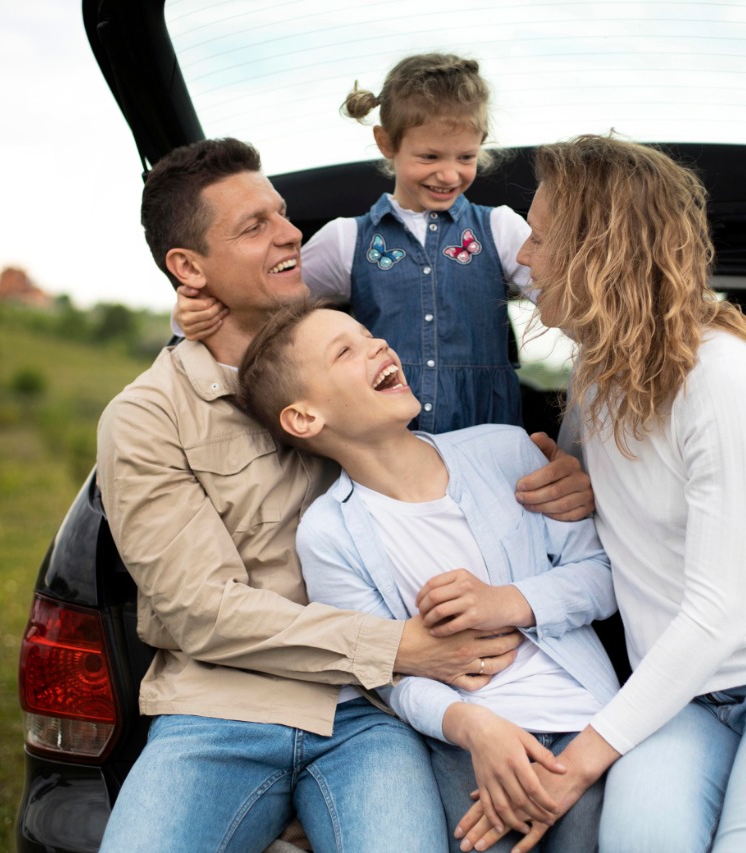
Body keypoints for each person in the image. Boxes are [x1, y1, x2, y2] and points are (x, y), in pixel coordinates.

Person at [95, 137, 593, 852]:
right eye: (254, 225)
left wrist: (573, 473)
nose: (290, 232)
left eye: (282, 214)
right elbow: (199, 609)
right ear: (187, 268)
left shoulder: (361, 351)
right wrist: (397, 645)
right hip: (222, 710)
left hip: (373, 716)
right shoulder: (147, 417)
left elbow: (459, 443)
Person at [455, 135, 746, 853]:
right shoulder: (596, 376)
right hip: (680, 699)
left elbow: (716, 614)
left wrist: (573, 768)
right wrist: (577, 484)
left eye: (540, 236)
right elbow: (604, 513)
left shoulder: (723, 379)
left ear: (599, 250)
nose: (524, 256)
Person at [234, 297, 620, 852]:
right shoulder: (329, 533)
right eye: (346, 350)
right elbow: (386, 675)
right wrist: (474, 728)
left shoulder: (506, 449)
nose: (378, 345)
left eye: (370, 334)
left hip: (584, 720)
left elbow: (602, 574)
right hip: (462, 741)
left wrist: (507, 601)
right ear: (304, 417)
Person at [175, 53, 532, 434]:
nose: (449, 173)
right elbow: (265, 306)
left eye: (466, 157)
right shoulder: (347, 239)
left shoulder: (500, 227)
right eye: (429, 156)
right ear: (385, 142)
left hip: (492, 434)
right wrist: (187, 318)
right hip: (387, 445)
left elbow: (571, 304)